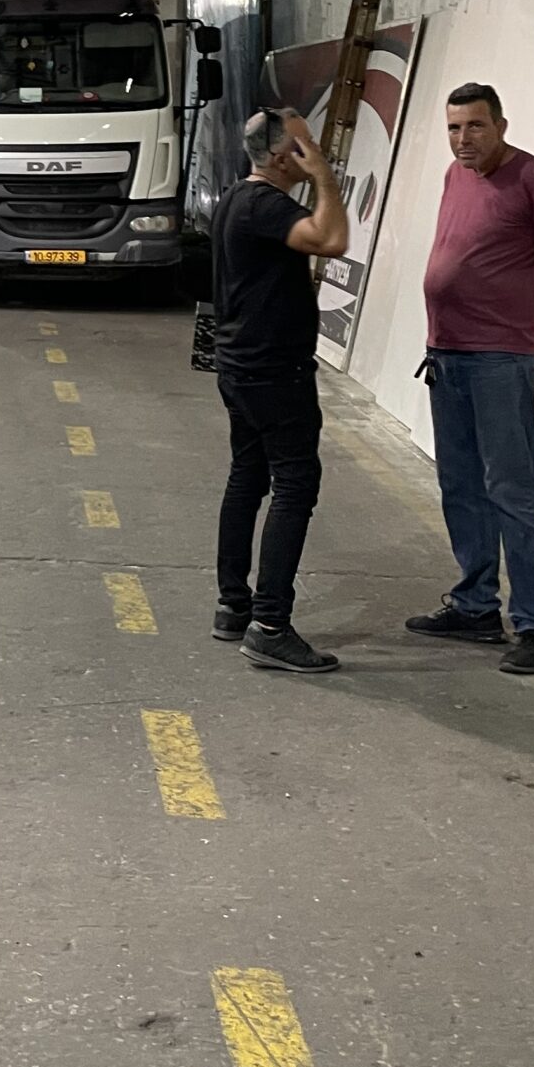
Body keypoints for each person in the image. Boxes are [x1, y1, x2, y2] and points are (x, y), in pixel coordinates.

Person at [405, 82, 534, 676]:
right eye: (454, 128)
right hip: (448, 353)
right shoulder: (455, 175)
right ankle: (475, 606)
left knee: (512, 491)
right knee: (461, 486)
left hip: (498, 360)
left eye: (476, 126)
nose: (464, 139)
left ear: (501, 126)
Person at [210, 108, 350, 673]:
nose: (313, 150)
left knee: (248, 476)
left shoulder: (234, 198)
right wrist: (325, 178)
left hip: (240, 364)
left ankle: (233, 605)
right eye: (303, 144)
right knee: (295, 485)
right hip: (273, 370)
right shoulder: (266, 204)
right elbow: (332, 239)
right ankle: (270, 625)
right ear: (278, 156)